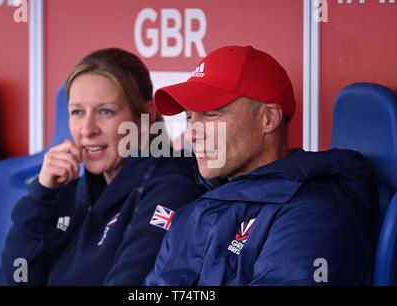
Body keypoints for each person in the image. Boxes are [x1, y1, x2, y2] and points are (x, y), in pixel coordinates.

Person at [145, 45, 377, 285]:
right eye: (189, 118)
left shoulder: (315, 213)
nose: (192, 133)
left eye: (211, 115)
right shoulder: (195, 211)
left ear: (269, 118)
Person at [0, 48, 205, 285]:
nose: (87, 129)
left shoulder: (172, 187)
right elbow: (13, 280)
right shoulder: (67, 189)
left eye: (105, 111)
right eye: (77, 112)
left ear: (146, 116)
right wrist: (41, 197)